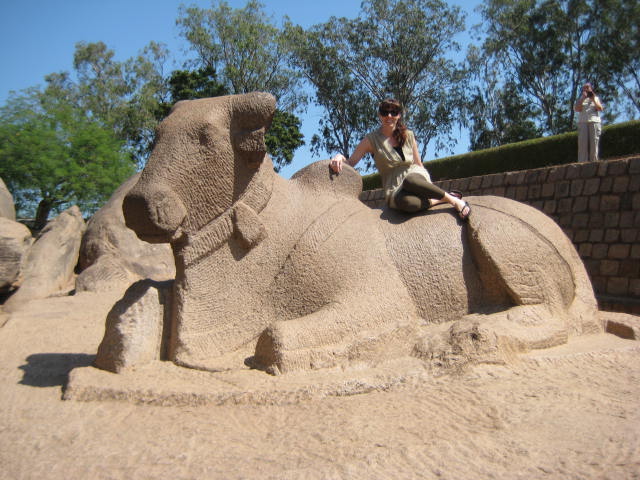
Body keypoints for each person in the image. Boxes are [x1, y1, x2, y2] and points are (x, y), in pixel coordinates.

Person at [329, 98, 471, 220]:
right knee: (408, 203)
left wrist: (427, 185)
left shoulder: (408, 135)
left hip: (414, 176)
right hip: (394, 186)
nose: (389, 116)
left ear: (399, 115)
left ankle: (454, 201)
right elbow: (351, 162)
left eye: (394, 112)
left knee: (411, 180)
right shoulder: (371, 140)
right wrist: (339, 156)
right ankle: (439, 200)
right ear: (379, 115)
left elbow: (418, 163)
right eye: (385, 112)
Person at [574, 82, 604, 162]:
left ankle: (594, 161)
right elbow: (577, 109)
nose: (586, 89)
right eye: (584, 88)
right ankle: (582, 162)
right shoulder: (580, 99)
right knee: (582, 143)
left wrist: (593, 99)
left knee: (594, 142)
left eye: (587, 87)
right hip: (583, 122)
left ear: (591, 88)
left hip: (594, 121)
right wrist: (583, 98)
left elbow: (600, 108)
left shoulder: (596, 98)